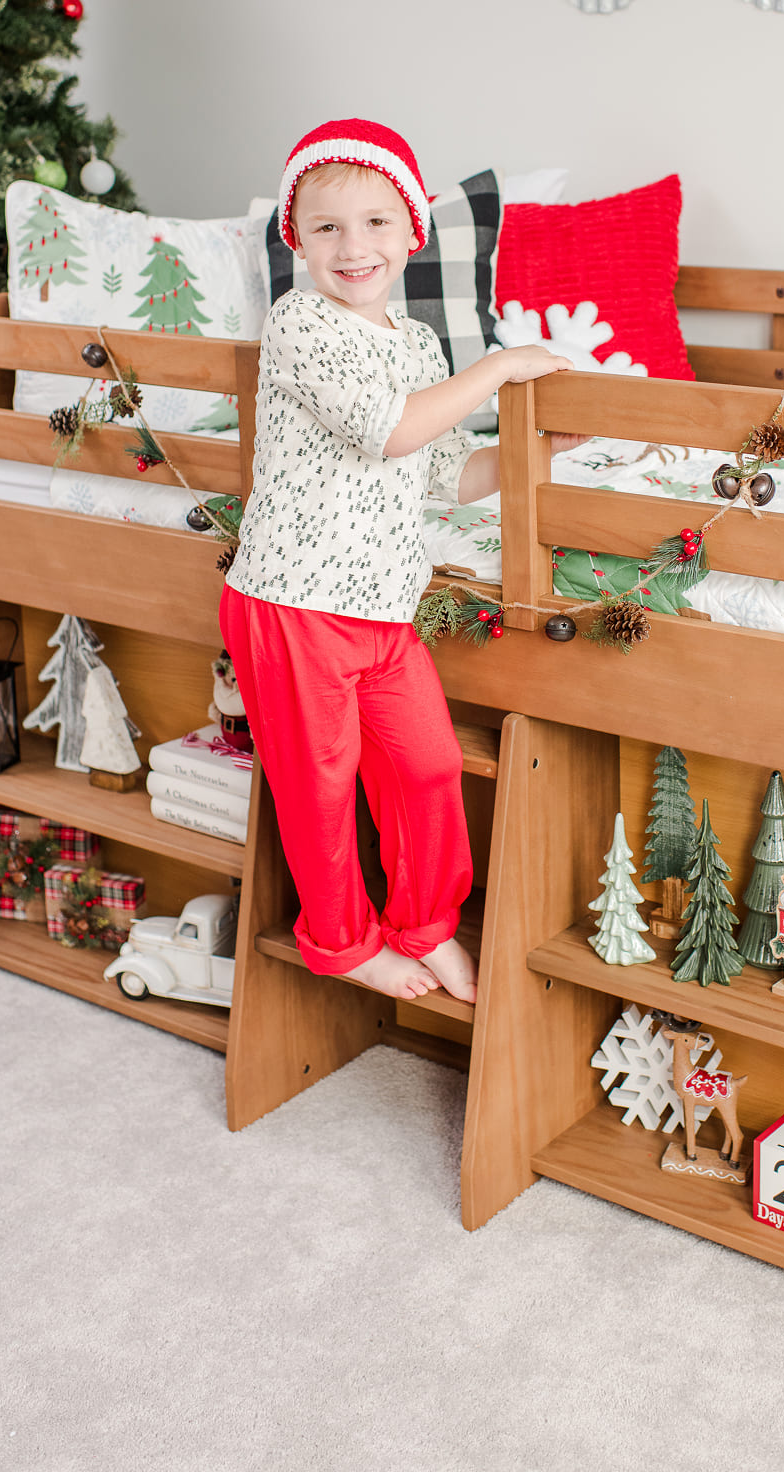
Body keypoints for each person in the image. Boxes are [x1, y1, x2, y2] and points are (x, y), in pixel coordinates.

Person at [219, 119, 581, 1004]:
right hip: (292, 604)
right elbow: (386, 431)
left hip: (381, 610)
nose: (354, 247)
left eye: (377, 223)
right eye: (328, 228)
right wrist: (499, 369)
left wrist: (541, 448)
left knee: (427, 766)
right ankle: (338, 942)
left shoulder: (417, 345)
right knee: (320, 788)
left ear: (412, 233)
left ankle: (425, 923)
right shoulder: (300, 323)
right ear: (295, 240)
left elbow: (441, 473)